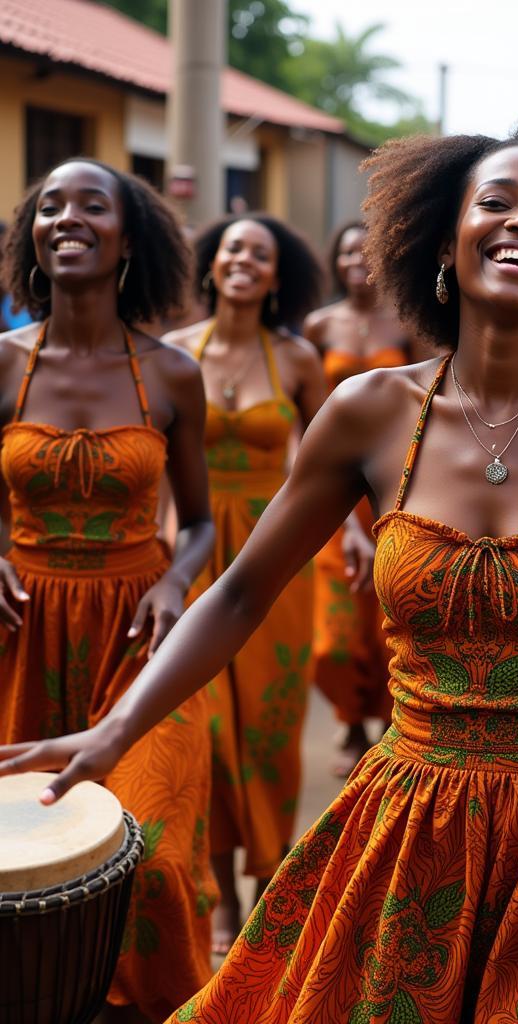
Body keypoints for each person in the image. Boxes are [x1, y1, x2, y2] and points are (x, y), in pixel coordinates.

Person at [0, 111, 518, 1022]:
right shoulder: (370, 414)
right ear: (446, 238)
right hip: (409, 827)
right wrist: (113, 732)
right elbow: (240, 593)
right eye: (498, 203)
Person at [0, 158, 217, 1022]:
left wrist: (176, 579)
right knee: (26, 854)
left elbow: (199, 521)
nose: (67, 218)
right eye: (49, 206)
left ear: (131, 238)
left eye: (93, 205)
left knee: (153, 856)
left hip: (138, 637)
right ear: (31, 236)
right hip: (22, 635)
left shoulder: (169, 373)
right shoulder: (2, 363)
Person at [163, 214, 326, 955]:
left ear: (275, 274)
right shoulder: (171, 356)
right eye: (233, 249)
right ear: (211, 263)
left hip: (275, 556)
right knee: (210, 734)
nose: (244, 261)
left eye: (259, 253)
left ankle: (271, 893)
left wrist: (357, 536)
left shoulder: (296, 359)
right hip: (191, 556)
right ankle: (223, 895)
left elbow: (333, 468)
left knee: (268, 733)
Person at [302, 222, 409, 778]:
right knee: (336, 632)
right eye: (345, 249)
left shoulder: (407, 323)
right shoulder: (318, 327)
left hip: (395, 480)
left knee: (390, 614)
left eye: (365, 250)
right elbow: (305, 412)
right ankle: (349, 719)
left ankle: (388, 729)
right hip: (334, 483)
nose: (354, 259)